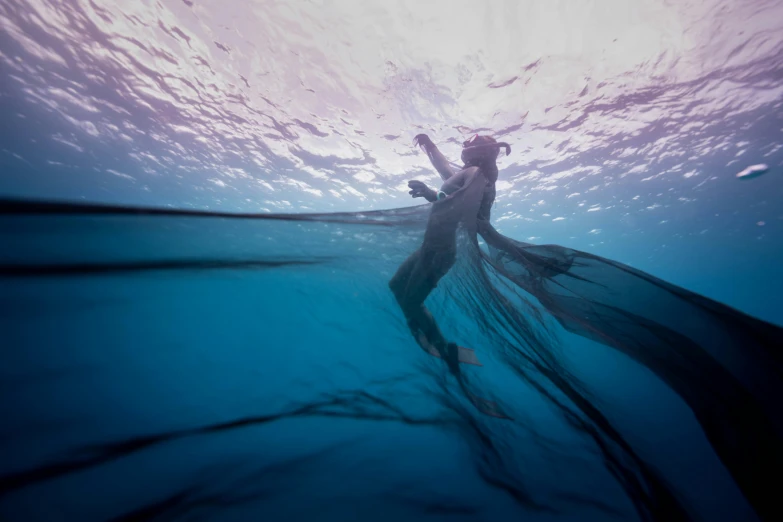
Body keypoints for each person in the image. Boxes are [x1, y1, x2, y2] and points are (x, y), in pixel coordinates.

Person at [388, 133, 510, 408]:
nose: (465, 146)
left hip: (439, 252)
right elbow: (443, 169)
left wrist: (432, 194)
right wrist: (429, 145)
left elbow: (464, 206)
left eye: (470, 143)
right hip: (429, 248)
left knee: (410, 300)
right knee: (396, 286)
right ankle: (421, 327)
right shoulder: (469, 173)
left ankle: (445, 349)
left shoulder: (477, 175)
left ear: (479, 152)